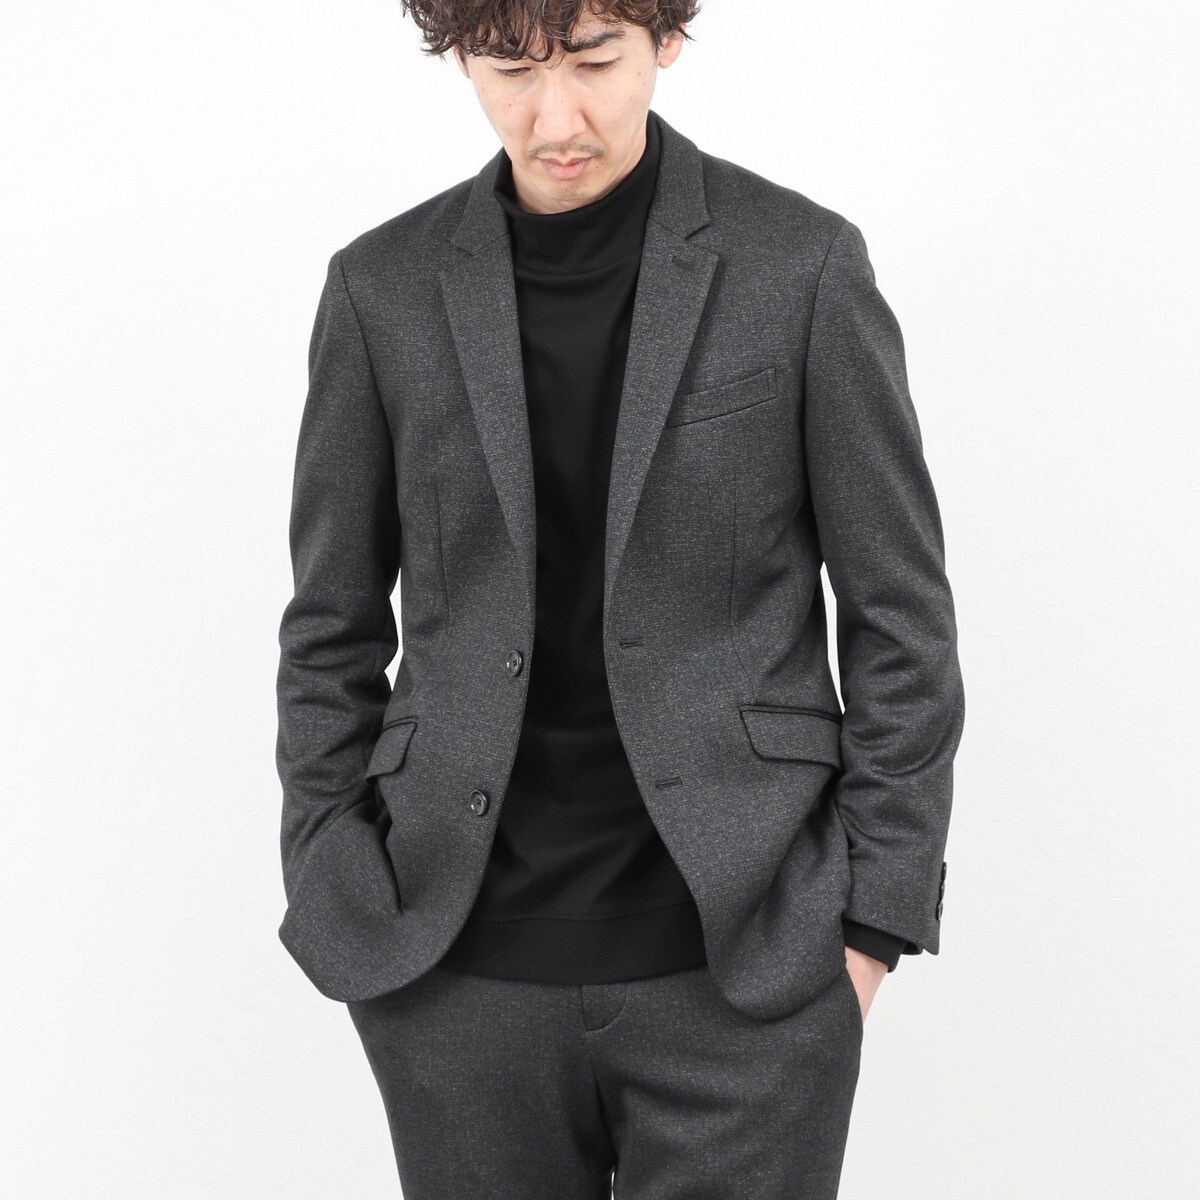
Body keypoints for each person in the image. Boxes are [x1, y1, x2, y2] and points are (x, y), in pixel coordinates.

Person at [274, 2, 966, 1195]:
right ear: (460, 56)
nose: (557, 119)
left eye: (596, 62)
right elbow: (329, 628)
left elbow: (901, 614)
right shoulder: (380, 291)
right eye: (511, 70)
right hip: (458, 981)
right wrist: (336, 883)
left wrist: (870, 928)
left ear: (665, 40)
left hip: (748, 973)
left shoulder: (800, 265)